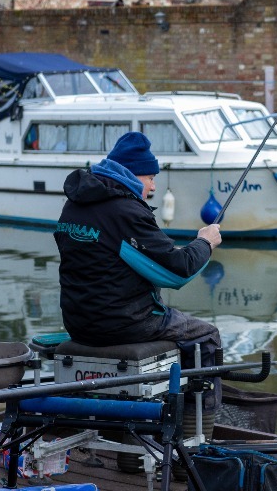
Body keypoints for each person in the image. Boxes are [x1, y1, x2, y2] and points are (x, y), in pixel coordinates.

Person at [54, 131, 222, 368]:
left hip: (78, 323)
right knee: (206, 335)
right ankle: (200, 404)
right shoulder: (125, 210)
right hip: (122, 324)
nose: (153, 187)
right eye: (151, 178)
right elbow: (178, 272)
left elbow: (115, 254)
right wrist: (205, 242)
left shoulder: (74, 205)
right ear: (131, 175)